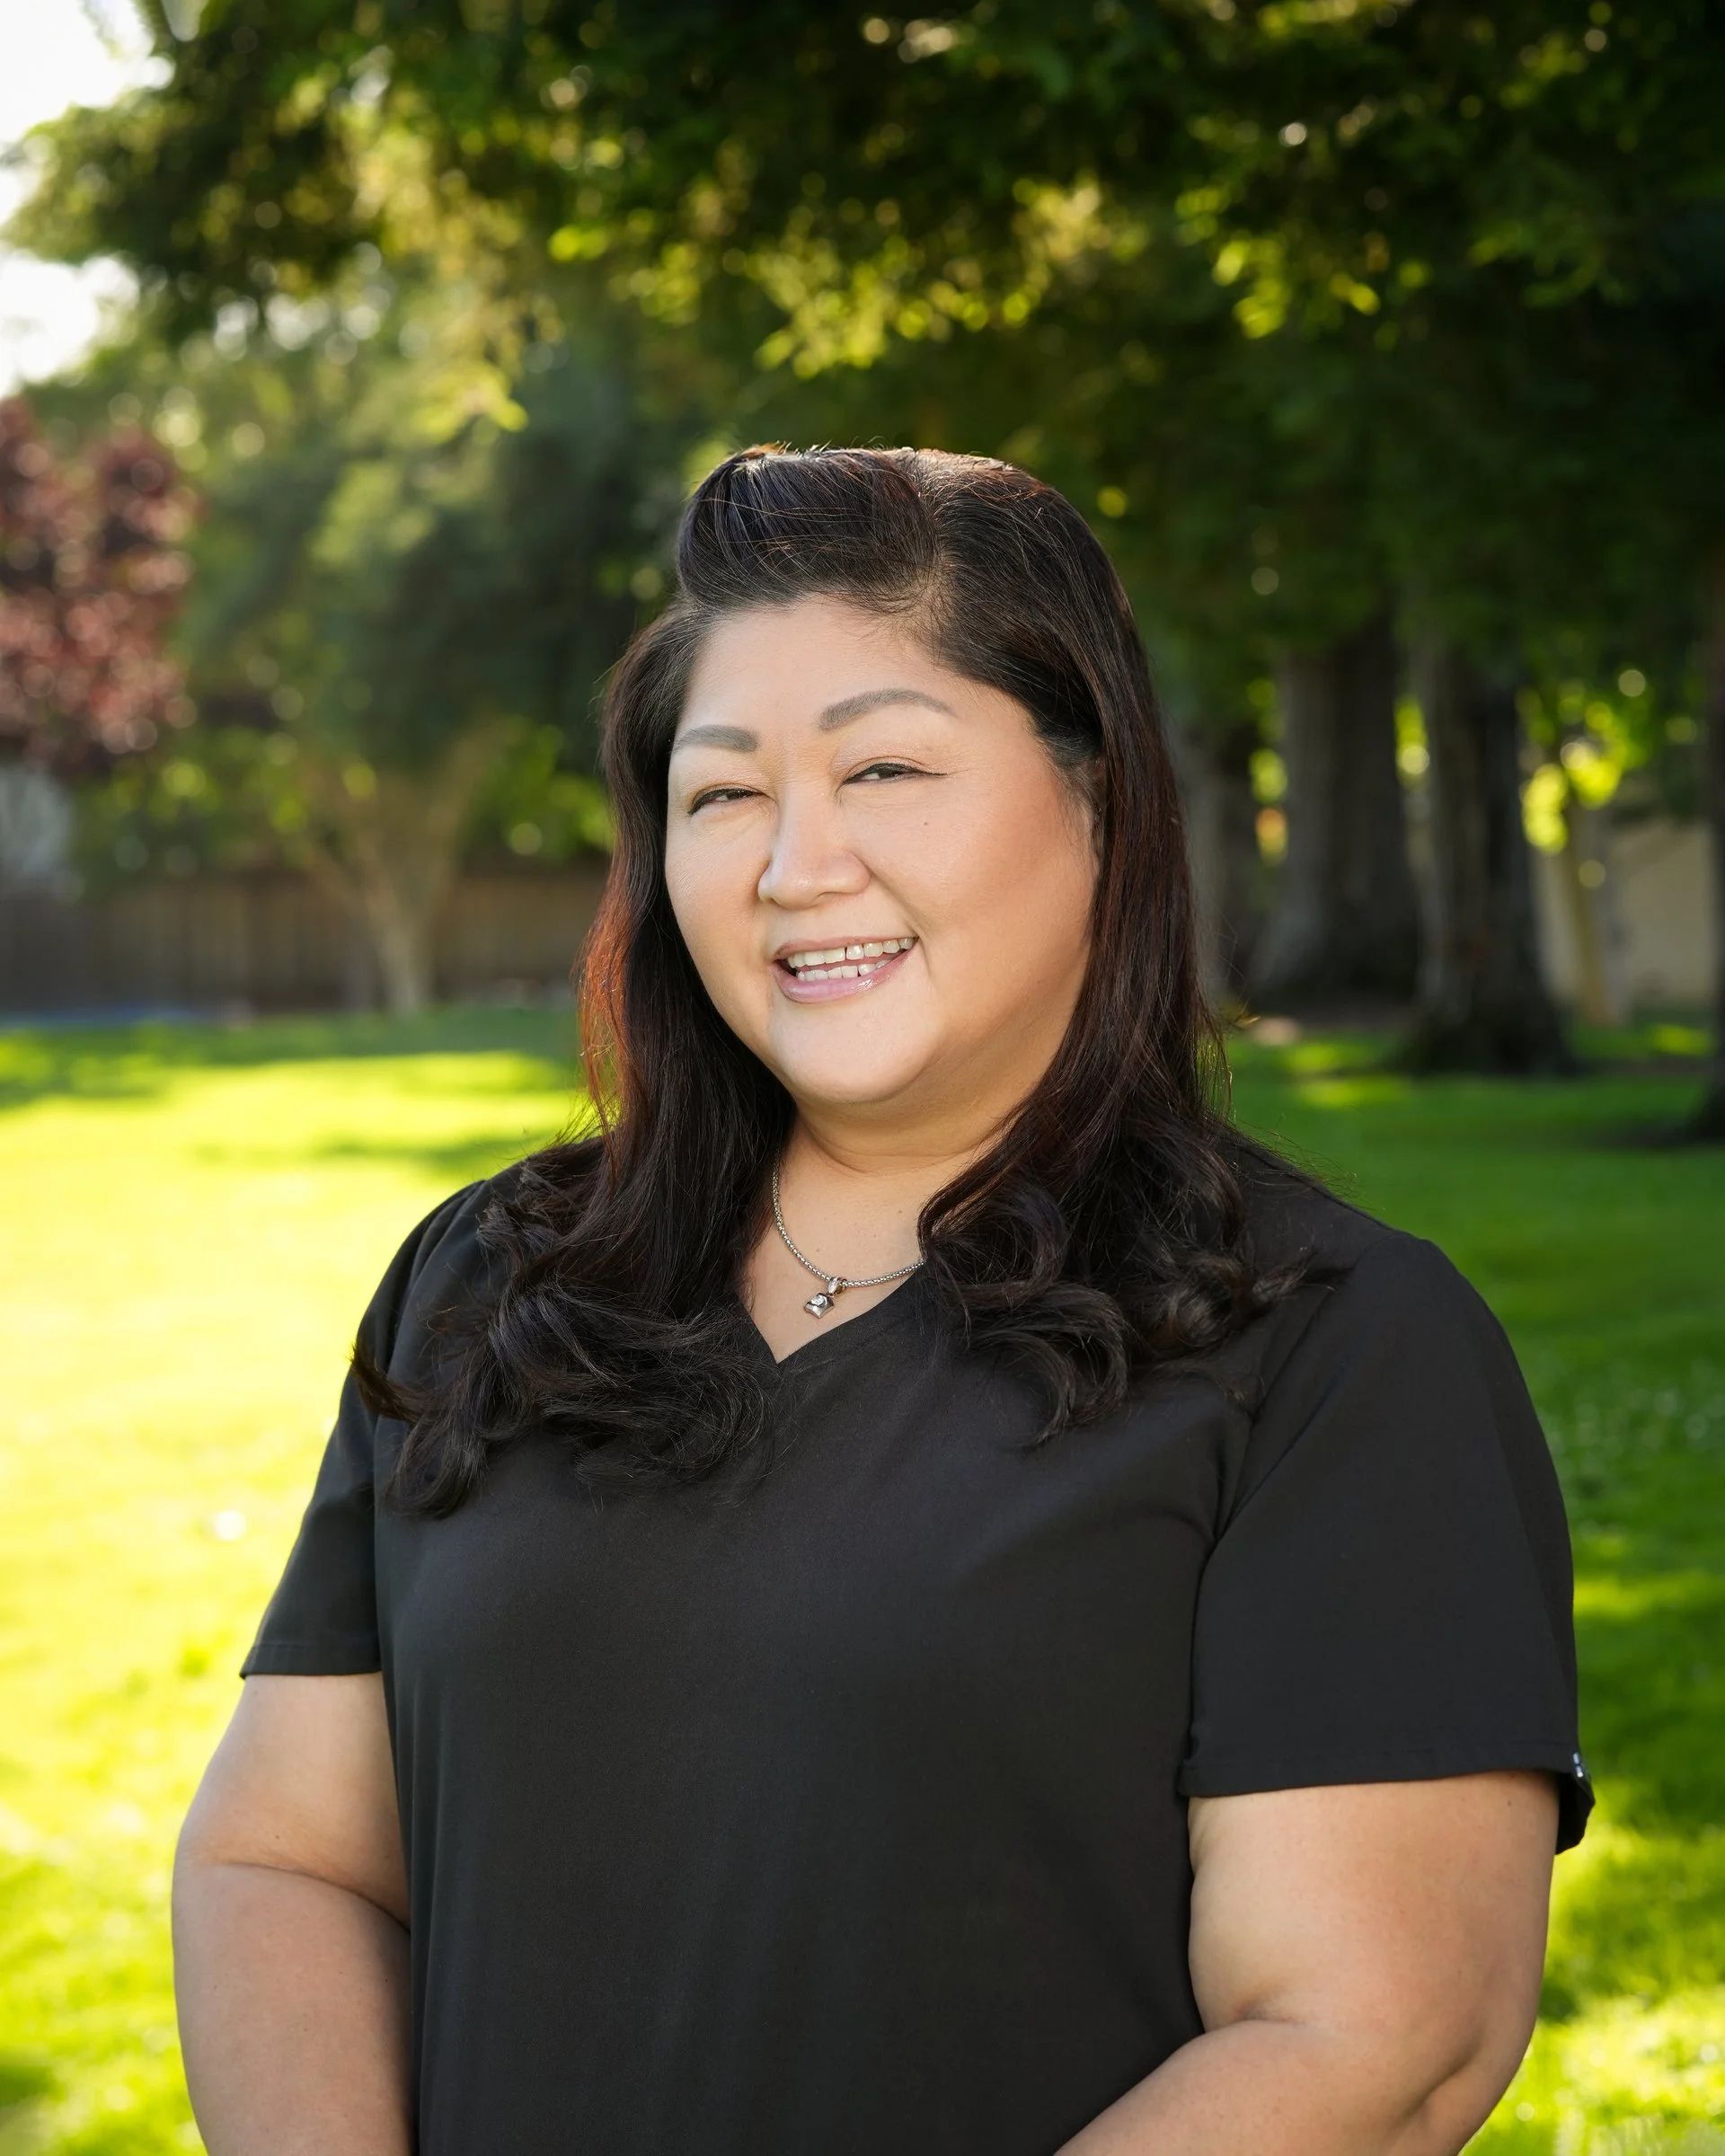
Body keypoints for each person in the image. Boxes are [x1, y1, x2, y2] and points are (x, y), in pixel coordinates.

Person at [172, 444, 1594, 2156]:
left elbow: (1374, 2038)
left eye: (887, 767)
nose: (794, 864)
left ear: (1103, 801)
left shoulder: (1334, 1350)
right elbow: (287, 1858)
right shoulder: (491, 1281)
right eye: (721, 795)